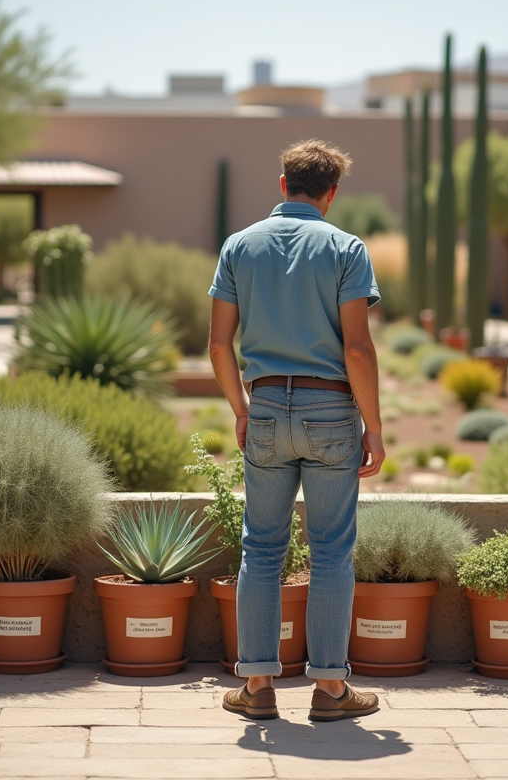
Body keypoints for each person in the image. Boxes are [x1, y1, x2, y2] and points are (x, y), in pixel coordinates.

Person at [208, 139, 385, 722]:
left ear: (282, 185)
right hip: (332, 411)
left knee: (260, 549)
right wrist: (374, 427)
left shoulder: (238, 246)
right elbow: (357, 348)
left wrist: (240, 408)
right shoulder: (345, 248)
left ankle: (257, 687)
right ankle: (330, 691)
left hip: (263, 409)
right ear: (331, 194)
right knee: (332, 552)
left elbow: (217, 344)